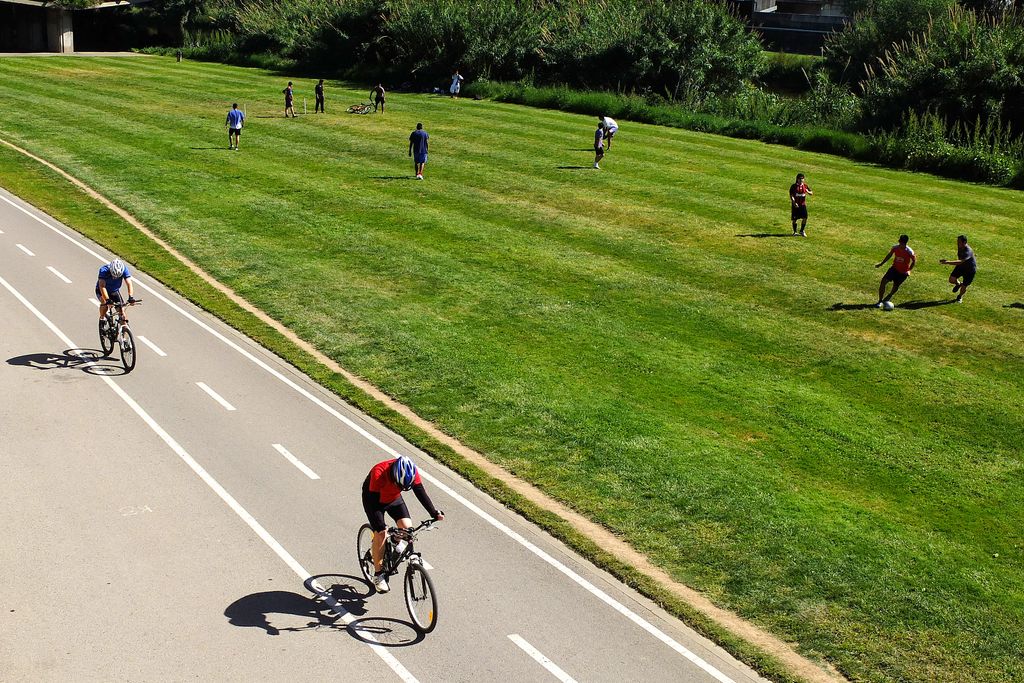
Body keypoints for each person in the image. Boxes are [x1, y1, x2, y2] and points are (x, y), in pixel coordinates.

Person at [362, 456, 444, 593]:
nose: (400, 488)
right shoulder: (378, 473)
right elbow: (373, 504)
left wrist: (434, 513)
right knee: (381, 533)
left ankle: (394, 542)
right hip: (374, 499)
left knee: (406, 527)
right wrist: (382, 527)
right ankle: (378, 575)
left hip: (393, 498)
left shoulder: (412, 472)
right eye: (398, 485)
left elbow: (420, 492)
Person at [875, 234, 916, 307]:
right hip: (894, 269)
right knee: (883, 281)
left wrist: (909, 270)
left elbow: (914, 261)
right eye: (900, 243)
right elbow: (889, 255)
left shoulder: (910, 251)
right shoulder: (895, 248)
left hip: (903, 272)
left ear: (905, 243)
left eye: (902, 243)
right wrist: (881, 264)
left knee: (895, 286)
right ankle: (880, 301)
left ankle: (890, 295)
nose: (900, 245)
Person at [96, 258, 136, 325]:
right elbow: (102, 286)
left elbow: (129, 283)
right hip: (102, 290)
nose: (115, 278)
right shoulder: (104, 270)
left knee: (122, 312)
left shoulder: (124, 269)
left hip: (114, 291)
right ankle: (102, 318)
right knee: (104, 304)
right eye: (113, 275)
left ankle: (124, 330)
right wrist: (107, 300)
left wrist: (131, 297)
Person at [940, 234, 977, 304]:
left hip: (970, 270)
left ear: (965, 242)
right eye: (957, 242)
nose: (957, 243)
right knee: (951, 279)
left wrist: (948, 262)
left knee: (964, 286)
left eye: (959, 242)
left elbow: (960, 262)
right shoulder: (960, 247)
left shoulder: (968, 251)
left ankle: (960, 296)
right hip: (961, 267)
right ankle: (958, 284)